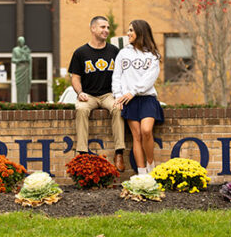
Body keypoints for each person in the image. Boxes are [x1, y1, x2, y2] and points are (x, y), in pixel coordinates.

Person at [68, 16, 126, 171]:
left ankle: (119, 152)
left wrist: (119, 96)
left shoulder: (114, 51)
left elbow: (123, 75)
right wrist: (80, 92)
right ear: (92, 28)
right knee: (81, 109)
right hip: (89, 95)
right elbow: (75, 77)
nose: (106, 30)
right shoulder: (80, 52)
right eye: (102, 27)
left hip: (108, 94)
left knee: (117, 109)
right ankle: (82, 153)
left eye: (107, 27)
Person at [112, 19, 164, 175]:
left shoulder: (153, 55)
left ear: (140, 32)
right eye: (128, 30)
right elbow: (117, 76)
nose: (128, 33)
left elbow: (149, 79)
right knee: (137, 136)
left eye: (131, 31)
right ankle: (142, 175)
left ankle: (150, 166)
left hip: (146, 98)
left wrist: (133, 91)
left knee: (147, 131)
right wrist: (118, 96)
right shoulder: (123, 53)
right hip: (128, 101)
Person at [12, 36, 32, 103]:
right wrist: (20, 60)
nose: (22, 43)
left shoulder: (26, 49)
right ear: (18, 42)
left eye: (23, 41)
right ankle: (19, 102)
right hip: (19, 69)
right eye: (20, 41)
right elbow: (13, 60)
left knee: (25, 86)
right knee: (19, 86)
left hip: (26, 69)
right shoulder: (15, 50)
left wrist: (26, 53)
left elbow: (29, 59)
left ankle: (25, 102)